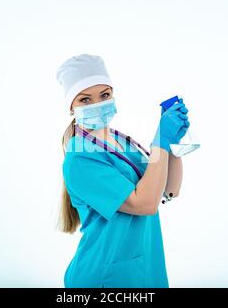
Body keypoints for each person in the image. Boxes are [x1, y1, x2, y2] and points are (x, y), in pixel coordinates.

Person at [56, 53, 190, 288]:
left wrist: (171, 145)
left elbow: (169, 190)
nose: (98, 104)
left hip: (146, 267)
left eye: (105, 95)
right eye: (85, 100)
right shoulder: (79, 160)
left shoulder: (123, 142)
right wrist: (160, 141)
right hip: (106, 277)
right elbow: (145, 203)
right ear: (71, 106)